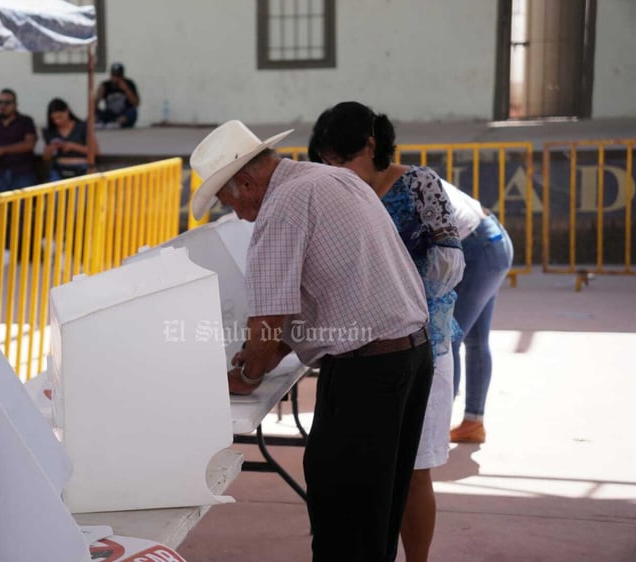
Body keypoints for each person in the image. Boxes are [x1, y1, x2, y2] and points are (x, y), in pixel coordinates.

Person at [190, 120, 433, 561]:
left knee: (343, 512)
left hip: (369, 371)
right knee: (377, 509)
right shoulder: (330, 177)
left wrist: (246, 373)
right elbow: (324, 300)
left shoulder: (281, 207)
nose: (240, 215)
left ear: (245, 180)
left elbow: (268, 319)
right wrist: (268, 351)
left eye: (230, 203)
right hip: (410, 357)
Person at [309, 101, 466, 562]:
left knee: (414, 470)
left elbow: (449, 263)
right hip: (364, 353)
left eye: (339, 160)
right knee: (372, 473)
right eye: (326, 164)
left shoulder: (420, 184)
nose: (334, 171)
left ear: (371, 146)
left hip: (424, 346)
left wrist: (393, 292)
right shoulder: (336, 193)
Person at [447, 182, 514, 444]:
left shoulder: (392, 190)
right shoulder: (402, 177)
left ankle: (435, 429)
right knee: (474, 340)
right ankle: (472, 422)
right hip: (491, 242)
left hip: (481, 248)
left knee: (447, 337)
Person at [0, 88, 38, 197]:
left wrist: (3, 150)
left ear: (15, 105)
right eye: (0, 102)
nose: (3, 106)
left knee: (22, 205)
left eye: (7, 103)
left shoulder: (25, 121)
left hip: (22, 171)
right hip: (0, 172)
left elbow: (29, 144)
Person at [42, 98, 92, 180]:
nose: (57, 121)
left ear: (67, 111)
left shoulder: (82, 127)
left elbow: (94, 151)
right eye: (54, 119)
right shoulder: (50, 131)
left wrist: (73, 146)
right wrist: (50, 149)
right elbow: (46, 159)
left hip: (81, 169)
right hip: (58, 169)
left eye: (60, 117)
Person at [95, 62, 139, 128]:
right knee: (95, 113)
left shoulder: (129, 83)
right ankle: (100, 122)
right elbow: (94, 106)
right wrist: (98, 97)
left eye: (118, 76)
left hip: (123, 113)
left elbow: (136, 103)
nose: (116, 78)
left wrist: (126, 90)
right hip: (109, 113)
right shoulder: (106, 85)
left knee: (132, 111)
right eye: (113, 75)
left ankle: (117, 123)